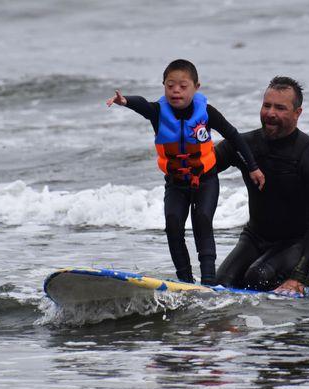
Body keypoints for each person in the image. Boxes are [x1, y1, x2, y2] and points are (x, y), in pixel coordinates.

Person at [106, 59, 265, 286]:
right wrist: (125, 101)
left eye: (183, 86)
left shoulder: (206, 112)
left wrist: (253, 167)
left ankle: (208, 281)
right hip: (176, 183)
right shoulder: (158, 112)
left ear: (196, 87)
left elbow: (233, 135)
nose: (176, 91)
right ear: (164, 86)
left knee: (202, 221)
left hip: (205, 181)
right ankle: (185, 281)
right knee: (172, 224)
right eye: (170, 85)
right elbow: (143, 104)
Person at [214, 76, 309, 296]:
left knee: (256, 277)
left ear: (297, 113)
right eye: (266, 105)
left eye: (280, 108)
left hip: (300, 244)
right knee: (221, 284)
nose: (270, 113)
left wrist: (297, 276)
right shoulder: (245, 145)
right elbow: (205, 166)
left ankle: (305, 278)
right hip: (255, 237)